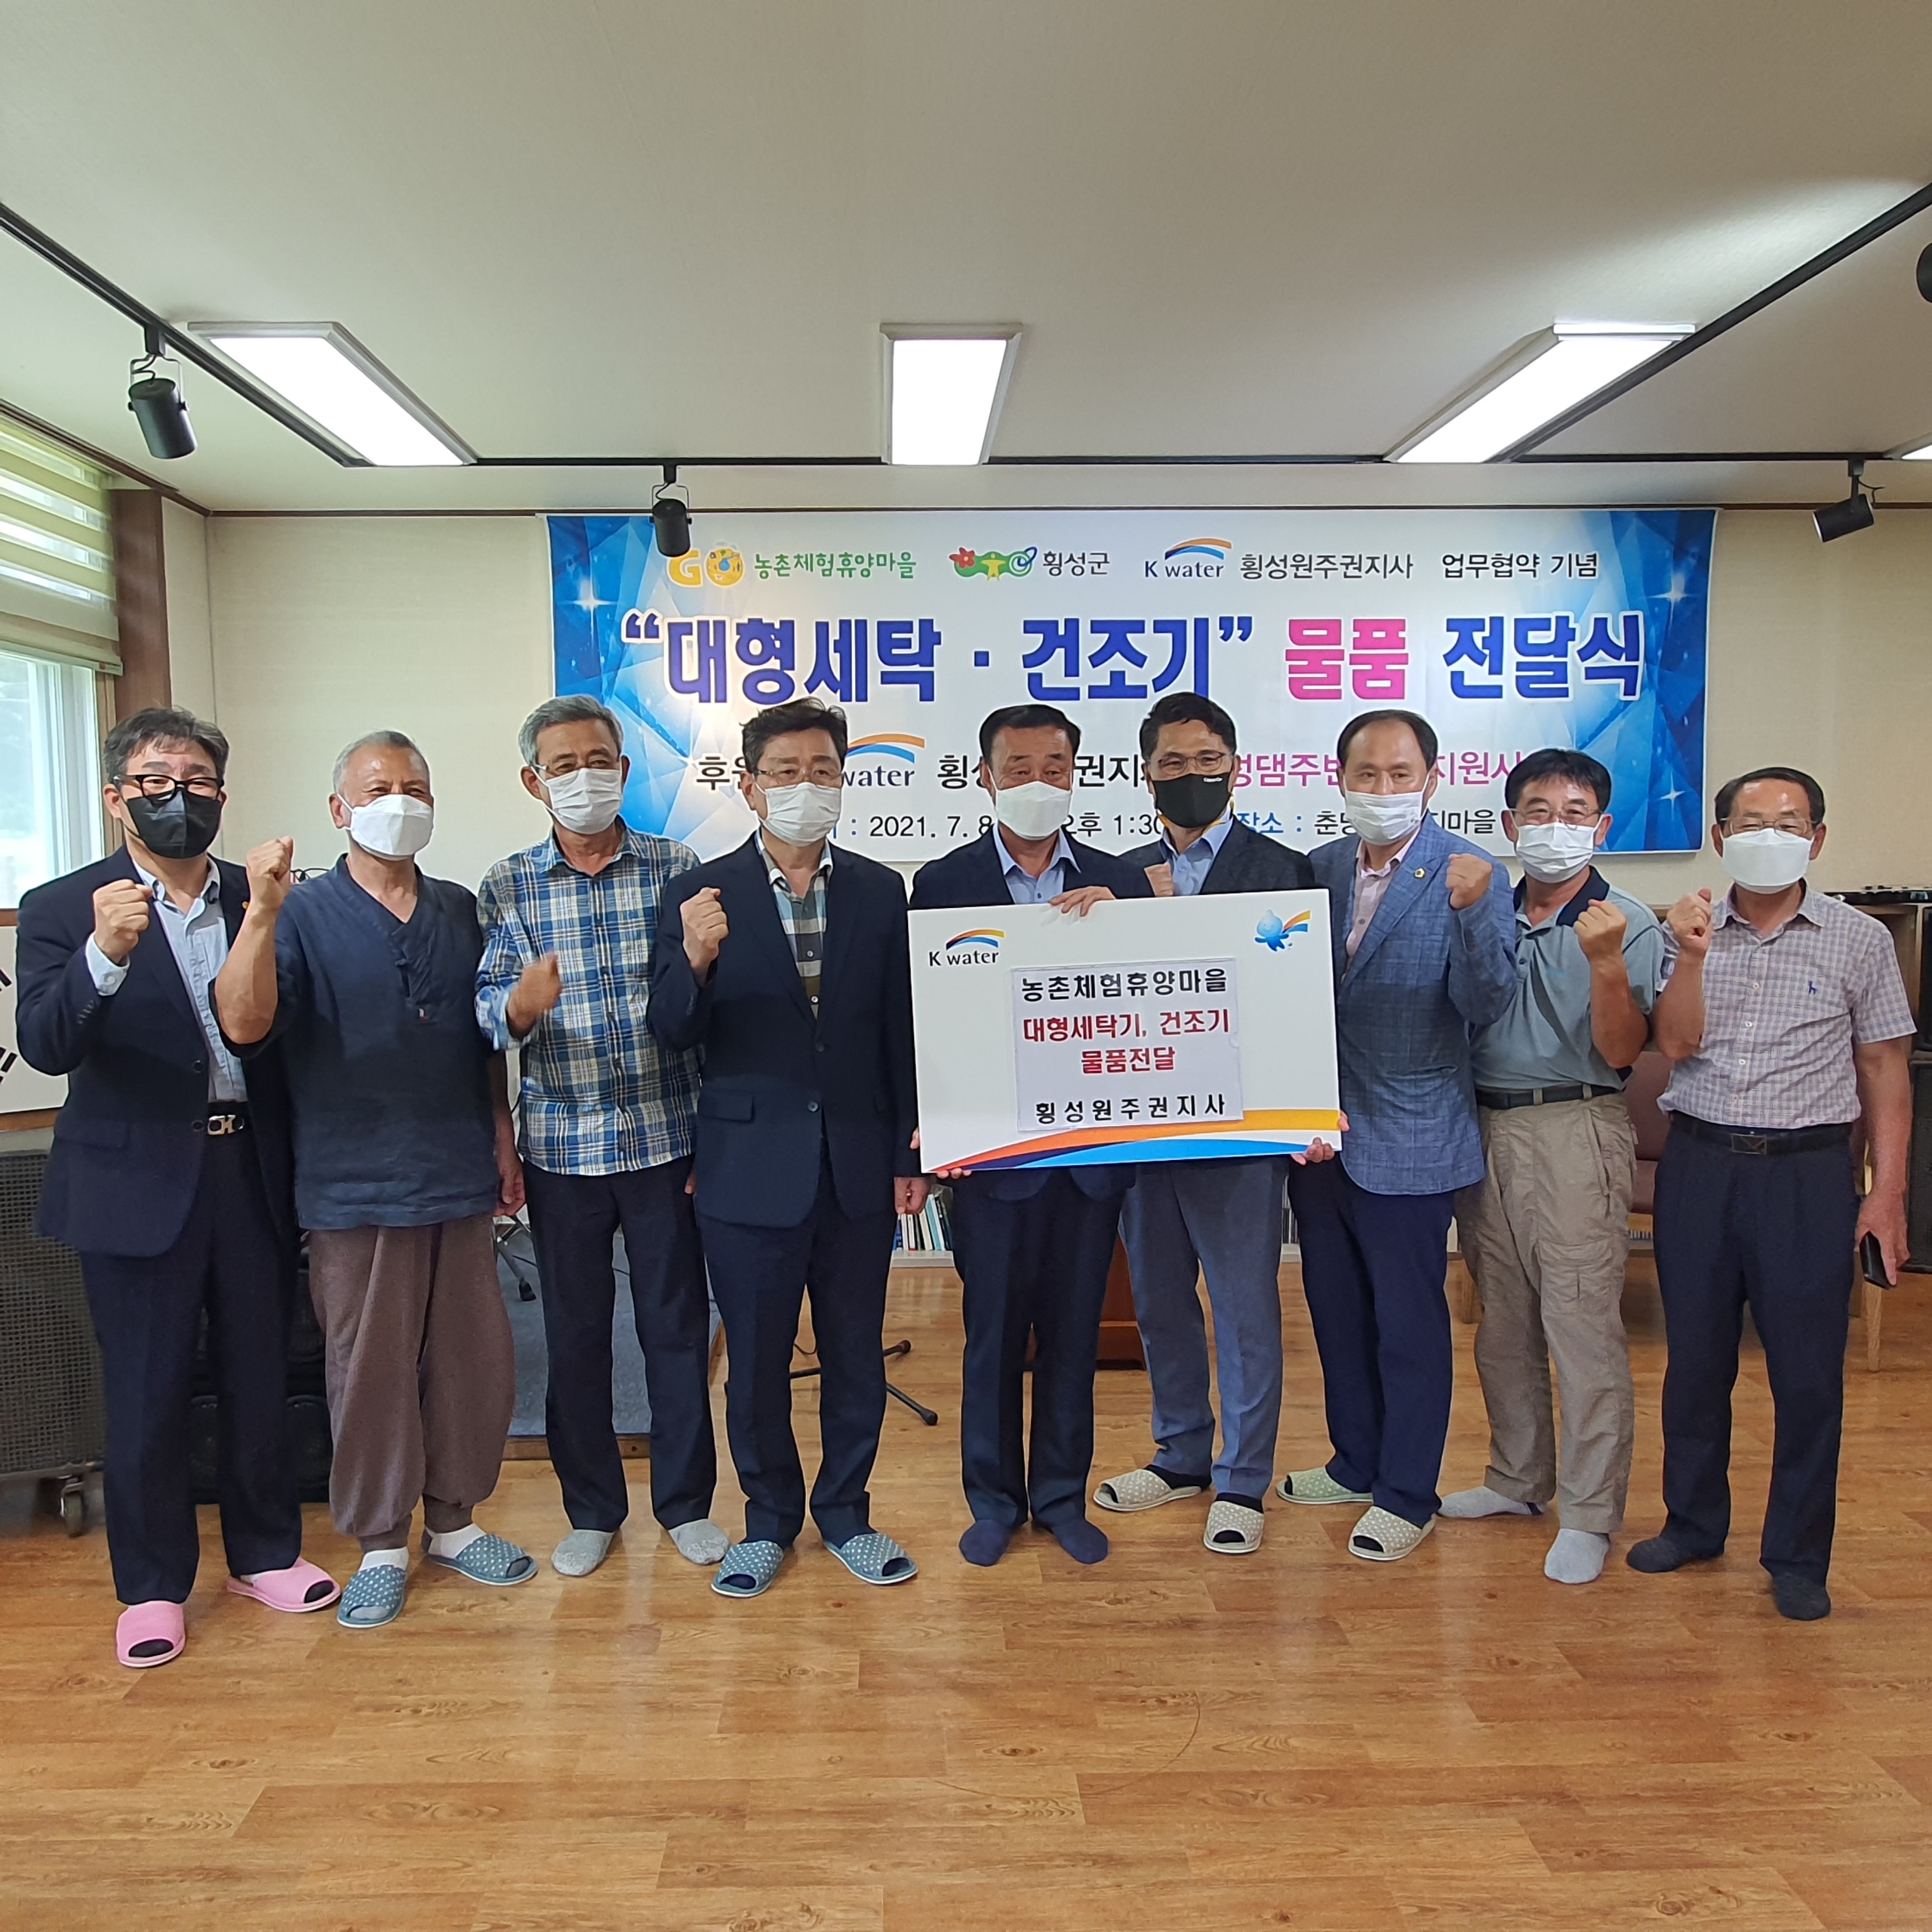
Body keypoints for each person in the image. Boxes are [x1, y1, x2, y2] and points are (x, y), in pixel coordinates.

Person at [14, 708, 338, 1669]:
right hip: (132, 1180)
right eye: (155, 781)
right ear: (116, 797)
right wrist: (104, 956)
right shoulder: (63, 905)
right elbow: (46, 1043)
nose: (177, 797)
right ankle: (152, 1586)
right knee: (147, 1389)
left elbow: (290, 1033)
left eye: (195, 780)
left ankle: (265, 1553)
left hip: (248, 1164)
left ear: (222, 795)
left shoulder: (261, 895)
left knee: (258, 1372)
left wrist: (269, 915)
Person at [215, 729, 536, 1629]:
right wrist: (260, 914)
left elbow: (482, 1036)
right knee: (369, 1370)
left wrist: (501, 1133)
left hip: (457, 1171)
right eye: (379, 786)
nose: (400, 800)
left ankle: (456, 1524)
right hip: (353, 1184)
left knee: (472, 1362)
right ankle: (382, 1542)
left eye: (415, 786)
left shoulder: (459, 907)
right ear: (339, 809)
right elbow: (242, 1024)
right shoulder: (301, 913)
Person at [648, 697, 924, 1600]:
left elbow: (899, 1031)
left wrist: (909, 1156)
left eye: (823, 771)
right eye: (786, 772)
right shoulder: (702, 893)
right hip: (746, 1169)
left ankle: (846, 1513)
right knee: (756, 1364)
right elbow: (671, 1030)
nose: (807, 787)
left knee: (854, 1354)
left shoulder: (879, 890)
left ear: (843, 779)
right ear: (749, 785)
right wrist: (694, 958)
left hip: (855, 1163)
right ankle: (768, 1521)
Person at [1629, 766, 1912, 1621]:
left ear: (1816, 840)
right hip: (1701, 1164)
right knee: (1695, 1361)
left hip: (1807, 1174)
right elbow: (1672, 1045)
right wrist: (1690, 954)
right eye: (1750, 822)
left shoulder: (1860, 939)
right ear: (1720, 837)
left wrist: (1887, 1193)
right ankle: (1692, 1523)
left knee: (1807, 1373)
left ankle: (1796, 1555)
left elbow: (1884, 1068)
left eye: (1788, 823)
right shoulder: (1685, 928)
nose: (1769, 836)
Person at [476, 696, 724, 1580]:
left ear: (623, 768)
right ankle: (591, 1510)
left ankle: (686, 1504)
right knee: (576, 1336)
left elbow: (710, 1006)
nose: (584, 777)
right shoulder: (507, 883)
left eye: (598, 760)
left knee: (676, 1328)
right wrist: (517, 1006)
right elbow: (485, 1012)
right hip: (561, 1148)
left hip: (667, 1135)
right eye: (564, 764)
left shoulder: (677, 866)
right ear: (533, 781)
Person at [910, 703, 1153, 1568]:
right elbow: (922, 1018)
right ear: (984, 778)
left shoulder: (1122, 882)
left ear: (1075, 775)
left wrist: (1130, 922)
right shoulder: (941, 883)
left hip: (1088, 1158)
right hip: (991, 1158)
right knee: (993, 1338)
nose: (1038, 783)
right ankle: (992, 1501)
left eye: (1055, 768)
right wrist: (933, 1132)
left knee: (1073, 1335)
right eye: (1018, 768)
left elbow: (1150, 1003)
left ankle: (1059, 1496)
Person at [1284, 708, 1516, 1561]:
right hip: (1319, 1137)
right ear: (1339, 779)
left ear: (1432, 778)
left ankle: (1407, 1492)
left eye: (1399, 774)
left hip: (1414, 1137)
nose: (1382, 789)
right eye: (1366, 774)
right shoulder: (1316, 868)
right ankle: (1355, 1460)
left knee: (1409, 1326)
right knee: (1337, 1313)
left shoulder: (1471, 871)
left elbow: (1487, 1005)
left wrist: (1475, 914)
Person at [1094, 691, 1318, 1555]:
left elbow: (1298, 1000)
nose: (1192, 774)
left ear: (1236, 767)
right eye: (1173, 762)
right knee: (1158, 1302)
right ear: (1145, 773)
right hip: (1144, 1129)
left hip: (1241, 1130)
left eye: (1207, 760)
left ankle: (1242, 1478)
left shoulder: (1285, 869)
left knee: (1243, 1308)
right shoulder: (1112, 875)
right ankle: (1180, 1452)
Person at [1438, 748, 1666, 1585]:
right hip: (1480, 1126)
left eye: (1574, 814)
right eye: (1537, 811)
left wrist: (1605, 961)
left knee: (1579, 1322)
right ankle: (1516, 1478)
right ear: (1508, 824)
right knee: (1502, 1320)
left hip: (1575, 1124)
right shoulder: (1480, 907)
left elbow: (1625, 1050)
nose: (1554, 827)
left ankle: (1591, 1512)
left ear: (1601, 828)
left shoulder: (1625, 921)